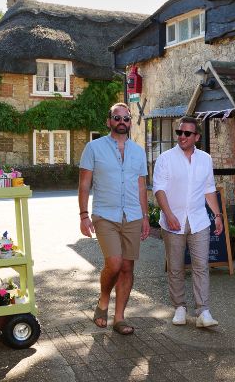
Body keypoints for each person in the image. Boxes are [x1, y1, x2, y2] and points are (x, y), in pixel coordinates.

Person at [78, 102, 150, 335]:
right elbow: (84, 184)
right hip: (105, 215)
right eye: (117, 118)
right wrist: (83, 215)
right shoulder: (93, 148)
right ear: (109, 121)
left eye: (126, 119)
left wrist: (146, 216)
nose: (122, 122)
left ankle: (119, 318)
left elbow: (141, 187)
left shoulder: (138, 151)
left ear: (130, 122)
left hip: (132, 215)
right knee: (115, 263)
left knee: (128, 268)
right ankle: (103, 300)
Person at [153, 117, 223, 328]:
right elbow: (159, 189)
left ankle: (203, 312)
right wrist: (169, 214)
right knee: (175, 267)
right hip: (173, 222)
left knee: (201, 266)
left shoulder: (205, 159)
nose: (182, 137)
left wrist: (218, 215)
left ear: (197, 137)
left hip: (199, 220)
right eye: (179, 132)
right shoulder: (165, 158)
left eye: (186, 133)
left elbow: (209, 189)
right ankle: (180, 307)